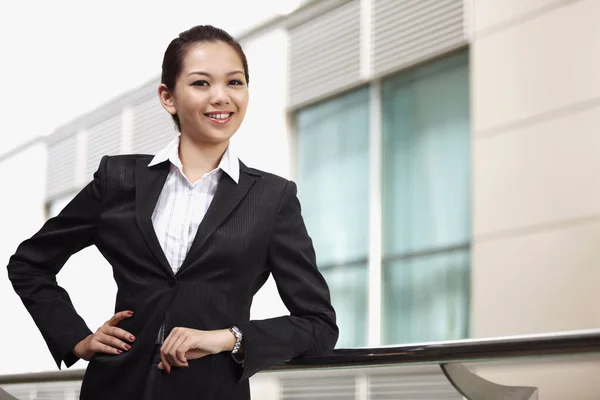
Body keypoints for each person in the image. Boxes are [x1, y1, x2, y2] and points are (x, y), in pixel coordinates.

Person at [7, 25, 338, 400]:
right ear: (168, 97)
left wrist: (227, 338)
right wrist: (76, 338)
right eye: (201, 83)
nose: (221, 97)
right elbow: (29, 264)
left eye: (235, 82)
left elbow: (318, 325)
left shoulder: (272, 197)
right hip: (114, 389)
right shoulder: (118, 179)